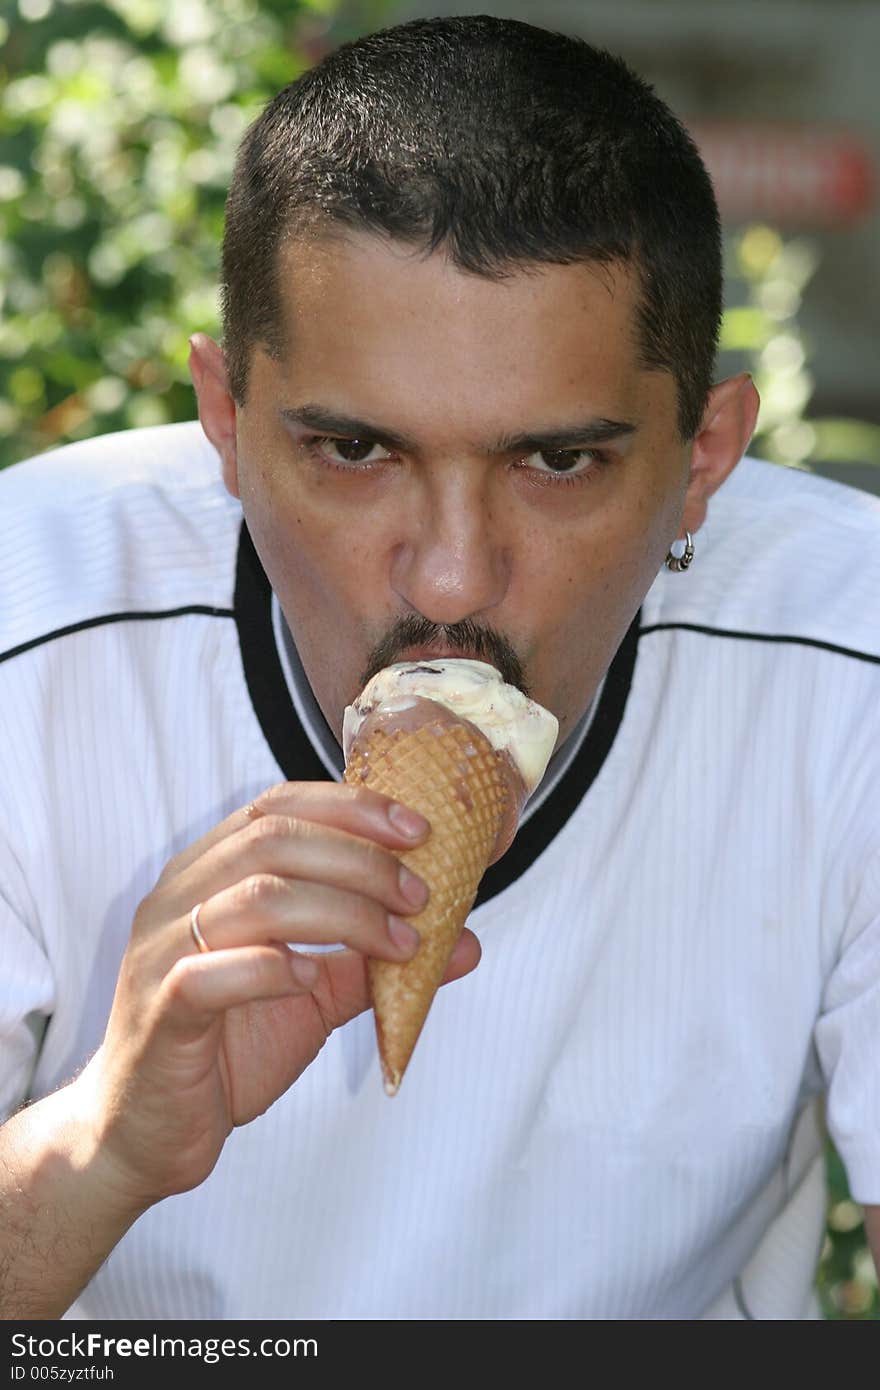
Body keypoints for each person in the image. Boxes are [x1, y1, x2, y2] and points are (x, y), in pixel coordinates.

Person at [0, 14, 877, 1322]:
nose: (453, 579)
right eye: (356, 451)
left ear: (703, 459)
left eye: (559, 461)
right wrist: (102, 1142)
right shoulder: (33, 622)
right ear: (228, 426)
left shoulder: (847, 662)